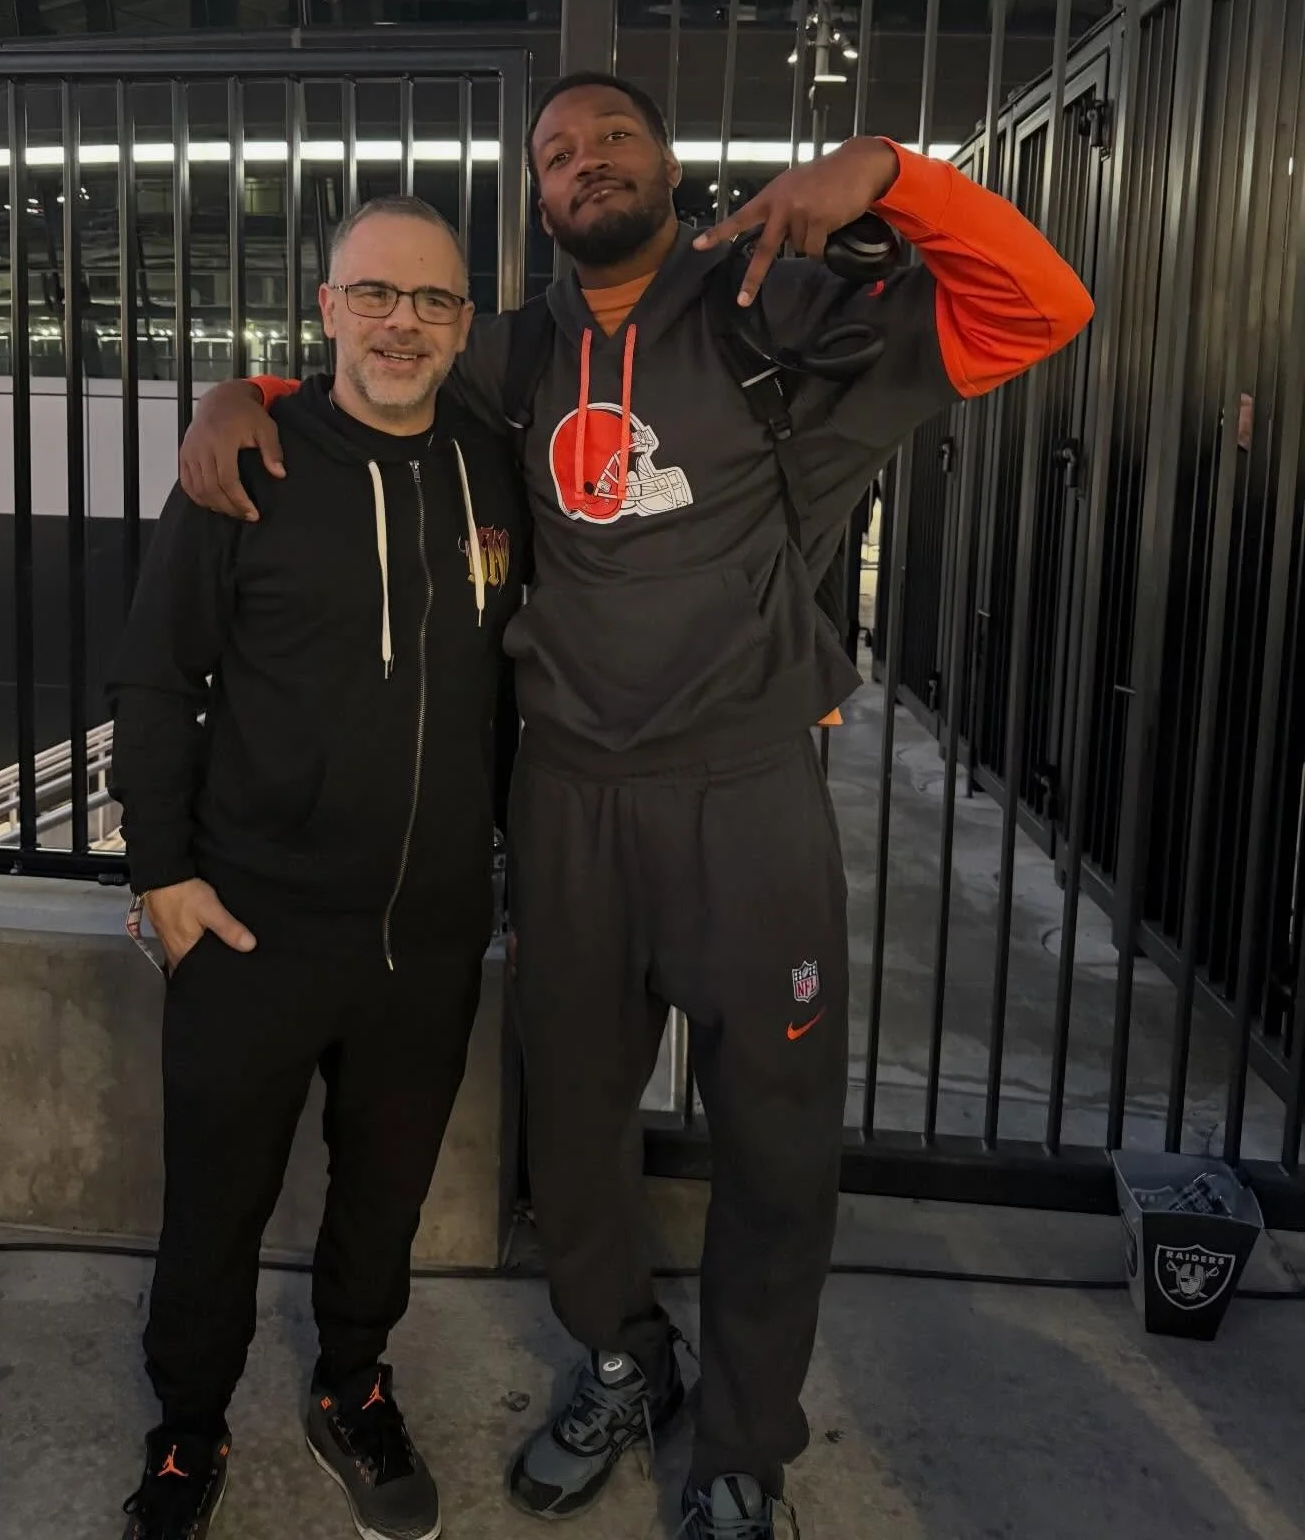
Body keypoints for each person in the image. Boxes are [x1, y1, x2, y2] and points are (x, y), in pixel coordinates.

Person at [177, 76, 1094, 1538]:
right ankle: (622, 1355)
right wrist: (248, 396)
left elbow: (1043, 305)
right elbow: (378, 392)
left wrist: (888, 173)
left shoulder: (774, 311)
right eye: (556, 151)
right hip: (568, 799)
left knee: (776, 1139)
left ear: (668, 163)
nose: (585, 159)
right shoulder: (513, 355)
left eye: (613, 135)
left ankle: (742, 1449)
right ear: (538, 200)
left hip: (744, 795)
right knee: (574, 1129)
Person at [108, 195, 525, 1540]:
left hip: (430, 932)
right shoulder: (250, 463)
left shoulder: (497, 465)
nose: (404, 323)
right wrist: (160, 873)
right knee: (214, 1206)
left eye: (433, 300)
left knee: (383, 1199)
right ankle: (188, 1430)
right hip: (251, 927)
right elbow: (157, 676)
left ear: (465, 322)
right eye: (375, 295)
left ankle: (353, 1387)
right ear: (329, 308)